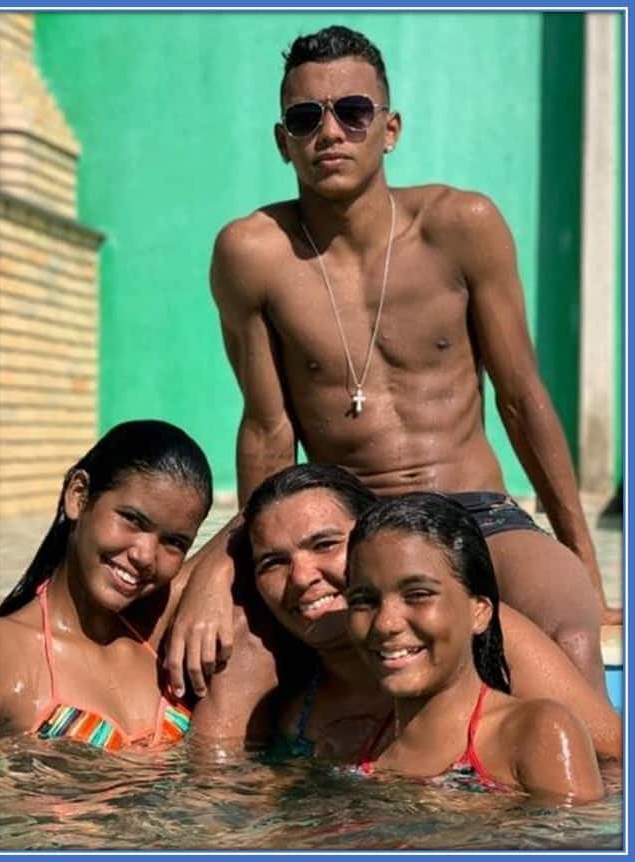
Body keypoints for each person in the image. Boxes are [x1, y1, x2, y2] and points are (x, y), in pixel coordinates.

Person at [167, 24, 619, 701]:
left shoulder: (460, 225)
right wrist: (228, 569)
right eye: (305, 117)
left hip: (479, 515)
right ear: (282, 139)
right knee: (247, 674)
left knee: (571, 636)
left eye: (353, 112)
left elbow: (522, 399)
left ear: (391, 127)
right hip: (355, 528)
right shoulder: (253, 255)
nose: (330, 133)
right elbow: (267, 432)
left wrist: (586, 567)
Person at [191, 464, 621, 762]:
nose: (301, 576)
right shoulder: (289, 705)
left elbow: (615, 758)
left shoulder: (481, 636)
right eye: (273, 563)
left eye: (325, 545)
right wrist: (209, 577)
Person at [346, 493, 604, 802]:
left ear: (479, 611)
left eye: (418, 594)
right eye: (364, 601)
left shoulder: (535, 734)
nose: (385, 623)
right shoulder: (349, 743)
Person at [0, 419, 212, 752]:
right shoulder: (4, 652)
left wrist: (219, 576)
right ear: (78, 496)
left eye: (173, 542)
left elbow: (254, 521)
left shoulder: (157, 636)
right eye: (132, 520)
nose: (145, 556)